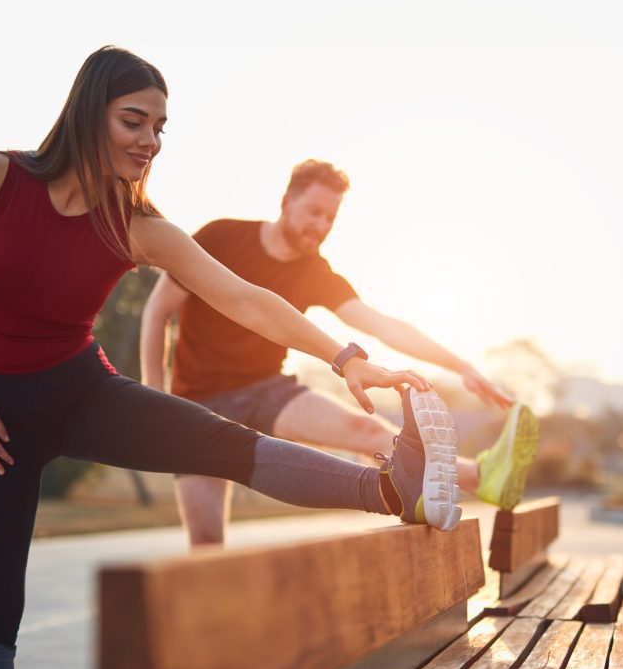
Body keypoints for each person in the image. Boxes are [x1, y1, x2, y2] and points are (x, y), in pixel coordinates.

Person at [0, 47, 461, 669]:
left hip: (82, 394)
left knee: (227, 446)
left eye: (159, 128)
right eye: (134, 122)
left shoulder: (138, 225)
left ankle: (392, 488)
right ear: (91, 113)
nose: (150, 141)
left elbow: (246, 299)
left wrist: (347, 357)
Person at [141, 159, 540, 547]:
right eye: (314, 212)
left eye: (330, 218)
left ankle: (484, 475)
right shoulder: (220, 237)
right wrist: (155, 399)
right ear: (286, 202)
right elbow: (158, 313)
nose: (321, 226)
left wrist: (461, 366)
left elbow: (382, 324)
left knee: (365, 430)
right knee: (206, 542)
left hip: (267, 391)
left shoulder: (315, 272)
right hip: (196, 401)